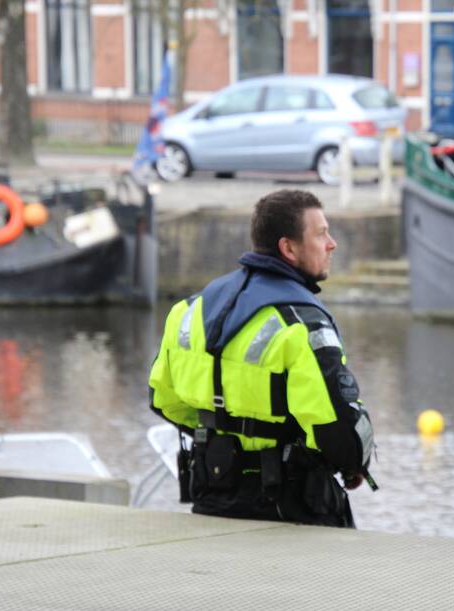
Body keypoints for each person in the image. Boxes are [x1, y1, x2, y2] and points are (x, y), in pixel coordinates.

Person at [149, 189, 376, 527]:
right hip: (290, 507)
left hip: (212, 496)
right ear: (288, 248)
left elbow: (163, 400)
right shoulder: (301, 324)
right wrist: (356, 461)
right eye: (320, 233)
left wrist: (223, 433)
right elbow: (337, 430)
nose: (332, 243)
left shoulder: (189, 310)